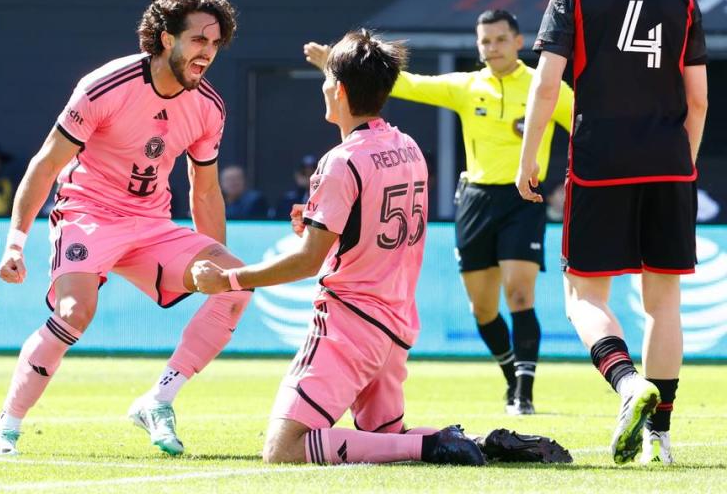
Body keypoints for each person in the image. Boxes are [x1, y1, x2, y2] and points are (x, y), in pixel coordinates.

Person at [192, 30, 571, 467]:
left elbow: (308, 260)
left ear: (339, 89)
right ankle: (484, 443)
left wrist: (228, 279)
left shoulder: (342, 161)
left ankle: (432, 446)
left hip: (350, 323)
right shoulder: (407, 147)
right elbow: (371, 221)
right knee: (385, 438)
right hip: (395, 325)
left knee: (285, 448)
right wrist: (319, 218)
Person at [0, 0, 253, 458]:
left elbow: (205, 191)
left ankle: (158, 400)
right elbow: (45, 164)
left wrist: (214, 265)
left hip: (150, 224)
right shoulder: (105, 85)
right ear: (167, 38)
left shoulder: (209, 107)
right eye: (197, 40)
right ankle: (6, 426)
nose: (207, 52)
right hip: (88, 214)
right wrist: (15, 241)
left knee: (237, 283)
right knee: (74, 314)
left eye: (214, 44)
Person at [518, 0, 708, 465]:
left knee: (582, 294)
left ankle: (628, 385)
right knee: (663, 300)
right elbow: (697, 99)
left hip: (601, 162)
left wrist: (531, 157)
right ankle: (662, 439)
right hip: (669, 164)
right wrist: (684, 163)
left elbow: (547, 84)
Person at [305, 10, 574, 416]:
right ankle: (509, 375)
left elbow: (586, 128)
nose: (492, 48)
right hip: (475, 201)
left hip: (524, 199)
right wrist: (338, 66)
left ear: (520, 42)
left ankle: (524, 390)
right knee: (482, 308)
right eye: (485, 41)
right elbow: (407, 83)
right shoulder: (467, 87)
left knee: (520, 293)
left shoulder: (545, 87)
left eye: (500, 40)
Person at [274, 154, 317, 220]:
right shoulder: (287, 200)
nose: (309, 178)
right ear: (297, 175)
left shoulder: (326, 200)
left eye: (313, 174)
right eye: (304, 173)